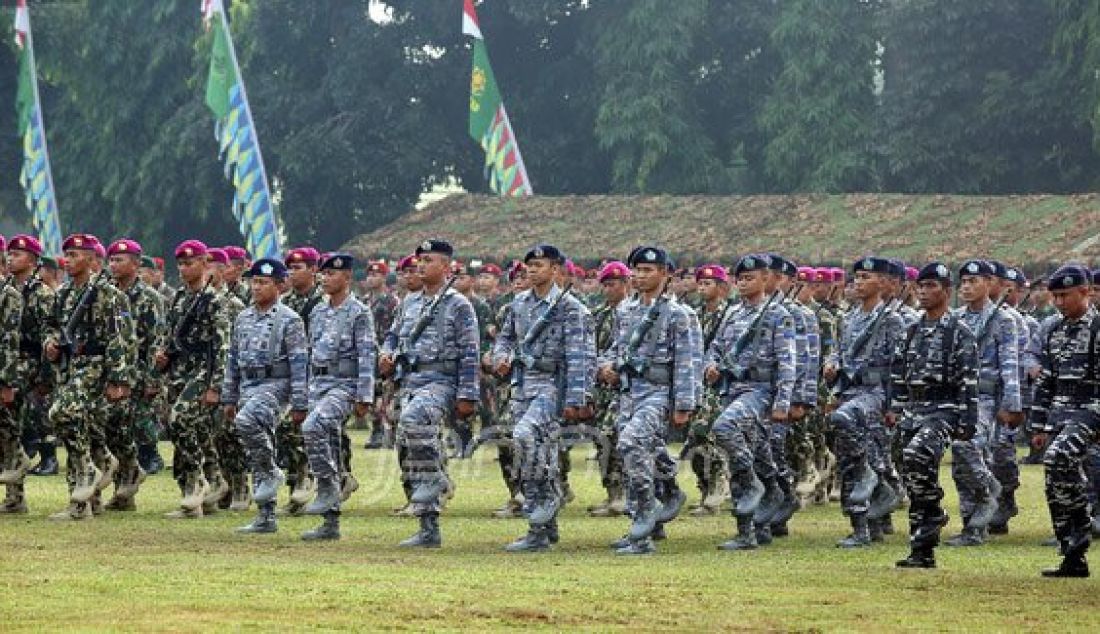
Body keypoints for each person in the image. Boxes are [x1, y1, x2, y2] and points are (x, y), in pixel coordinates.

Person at [491, 244, 595, 551]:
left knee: (526, 436)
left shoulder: (571, 308)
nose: (533, 270)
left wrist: (577, 398)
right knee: (535, 451)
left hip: (553, 386)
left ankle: (542, 508)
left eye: (540, 265)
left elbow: (581, 357)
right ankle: (545, 528)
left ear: (556, 270)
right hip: (523, 386)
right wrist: (502, 357)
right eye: (530, 265)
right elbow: (507, 338)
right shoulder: (519, 303)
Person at [599, 246, 701, 555]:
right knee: (641, 451)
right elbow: (616, 348)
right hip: (630, 392)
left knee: (632, 444)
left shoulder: (680, 314)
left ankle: (642, 523)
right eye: (637, 270)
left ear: (665, 274)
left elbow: (689, 360)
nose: (641, 276)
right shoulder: (625, 311)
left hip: (659, 392)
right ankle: (666, 491)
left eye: (648, 270)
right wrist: (605, 367)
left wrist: (684, 404)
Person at [379, 239, 480, 548]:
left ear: (446, 267)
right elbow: (394, 336)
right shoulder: (409, 302)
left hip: (442, 380)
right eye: (419, 259)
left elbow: (470, 352)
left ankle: (437, 479)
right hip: (410, 380)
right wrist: (387, 354)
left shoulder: (458, 304)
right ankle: (428, 527)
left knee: (414, 420)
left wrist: (468, 395)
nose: (421, 265)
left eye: (429, 260)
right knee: (406, 449)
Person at [889, 262, 979, 568]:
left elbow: (968, 381)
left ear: (947, 291)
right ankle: (922, 547)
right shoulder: (911, 330)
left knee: (917, 456)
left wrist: (967, 422)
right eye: (921, 287)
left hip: (944, 411)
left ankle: (932, 519)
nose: (924, 292)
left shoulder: (959, 331)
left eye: (932, 287)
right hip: (914, 410)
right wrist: (895, 409)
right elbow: (899, 374)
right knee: (910, 471)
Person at [704, 254, 795, 550]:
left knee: (725, 428)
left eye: (750, 278)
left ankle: (758, 485)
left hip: (760, 390)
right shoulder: (731, 313)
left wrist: (783, 401)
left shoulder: (778, 314)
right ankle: (753, 528)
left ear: (766, 279)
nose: (743, 284)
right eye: (740, 279)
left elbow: (787, 362)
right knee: (755, 454)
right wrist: (711, 366)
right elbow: (715, 347)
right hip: (733, 389)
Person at [45, 234, 136, 520]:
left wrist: (119, 379)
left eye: (75, 255)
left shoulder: (110, 294)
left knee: (62, 412)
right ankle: (83, 505)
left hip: (97, 366)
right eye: (67, 255)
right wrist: (50, 343)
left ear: (92, 259)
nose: (68, 260)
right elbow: (53, 326)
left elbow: (121, 338)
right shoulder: (62, 293)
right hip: (70, 366)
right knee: (88, 430)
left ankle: (92, 469)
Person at [222, 258, 309, 535]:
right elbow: (232, 359)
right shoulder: (243, 318)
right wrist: (229, 395)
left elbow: (299, 363)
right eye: (254, 282)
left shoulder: (289, 320)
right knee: (258, 446)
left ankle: (272, 473)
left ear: (280, 286)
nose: (256, 287)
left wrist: (299, 401)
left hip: (276, 384)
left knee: (247, 423)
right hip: (249, 385)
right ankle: (266, 515)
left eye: (263, 282)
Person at [823, 256, 904, 548]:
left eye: (865, 277)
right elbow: (839, 352)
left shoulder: (891, 320)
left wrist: (894, 406)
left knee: (874, 457)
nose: (858, 283)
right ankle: (862, 527)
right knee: (850, 462)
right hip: (850, 392)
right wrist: (831, 367)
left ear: (882, 283)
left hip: (876, 394)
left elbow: (899, 366)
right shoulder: (849, 318)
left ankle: (876, 514)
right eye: (856, 277)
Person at [300, 253, 375, 540]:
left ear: (346, 278)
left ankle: (329, 487)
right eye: (323, 274)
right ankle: (330, 523)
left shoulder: (358, 312)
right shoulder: (318, 311)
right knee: (328, 444)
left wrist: (364, 395)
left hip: (344, 384)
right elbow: (310, 353)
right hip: (318, 383)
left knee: (313, 427)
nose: (325, 278)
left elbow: (367, 354)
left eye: (332, 274)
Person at [155, 240, 231, 519]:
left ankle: (197, 482)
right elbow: (170, 335)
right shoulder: (179, 298)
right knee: (193, 430)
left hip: (204, 369)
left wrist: (215, 386)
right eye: (182, 264)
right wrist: (163, 356)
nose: (185, 268)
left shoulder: (213, 300)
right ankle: (211, 485)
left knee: (181, 419)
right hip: (179, 370)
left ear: (204, 263)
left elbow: (223, 344)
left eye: (190, 263)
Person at [1032, 264, 1098, 577]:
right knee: (1054, 476)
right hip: (1061, 410)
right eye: (1055, 296)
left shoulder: (1098, 328)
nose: (1059, 302)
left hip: (1092, 408)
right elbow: (1047, 380)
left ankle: (1082, 526)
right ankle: (1072, 552)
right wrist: (1039, 424)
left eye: (1065, 295)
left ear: (1085, 292)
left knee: (1060, 458)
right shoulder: (1055, 330)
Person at [102, 238, 163, 512]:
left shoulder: (150, 297)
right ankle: (125, 488)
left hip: (138, 373)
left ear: (136, 264)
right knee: (112, 428)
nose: (114, 265)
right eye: (111, 260)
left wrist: (152, 380)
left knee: (128, 426)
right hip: (110, 371)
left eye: (120, 260)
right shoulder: (105, 293)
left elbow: (156, 341)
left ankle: (130, 478)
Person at [685, 263, 734, 517]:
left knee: (706, 433)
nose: (702, 288)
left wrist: (719, 367)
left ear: (722, 287)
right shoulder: (693, 315)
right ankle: (705, 489)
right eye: (700, 283)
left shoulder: (732, 315)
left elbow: (736, 350)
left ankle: (718, 487)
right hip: (696, 385)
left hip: (721, 386)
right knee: (694, 439)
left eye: (708, 283)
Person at [279, 247, 325, 513]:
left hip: (319, 374)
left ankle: (312, 479)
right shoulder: (284, 303)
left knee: (309, 429)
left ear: (313, 270)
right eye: (291, 268)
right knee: (288, 428)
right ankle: (299, 483)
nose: (293, 273)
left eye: (299, 267)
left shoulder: (324, 301)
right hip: (291, 374)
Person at [587, 261, 630, 518]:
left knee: (617, 438)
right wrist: (600, 368)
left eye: (612, 284)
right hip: (600, 388)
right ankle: (613, 493)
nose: (607, 290)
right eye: (604, 285)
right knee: (601, 441)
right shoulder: (598, 316)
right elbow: (587, 350)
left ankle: (625, 494)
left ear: (626, 285)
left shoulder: (635, 312)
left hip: (625, 388)